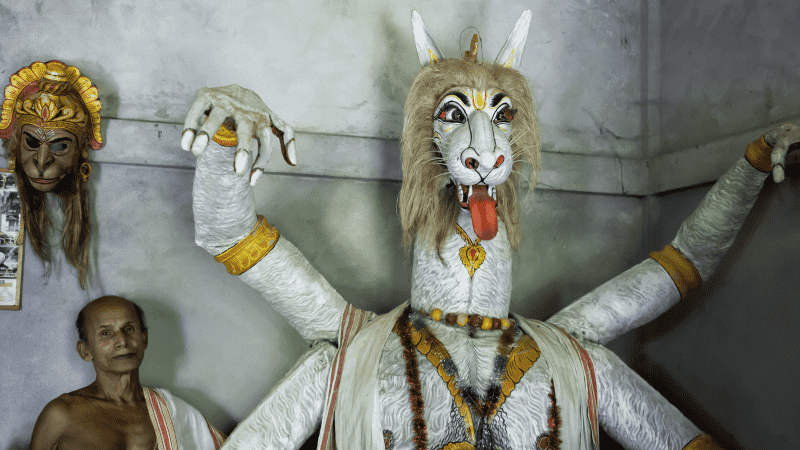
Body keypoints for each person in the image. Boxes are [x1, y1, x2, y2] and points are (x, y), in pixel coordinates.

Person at [30, 296, 225, 450]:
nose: (122, 340)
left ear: (144, 339)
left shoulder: (174, 412)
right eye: (106, 333)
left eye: (129, 329)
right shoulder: (62, 413)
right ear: (85, 351)